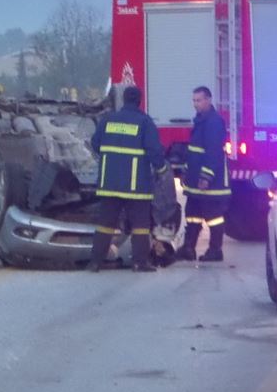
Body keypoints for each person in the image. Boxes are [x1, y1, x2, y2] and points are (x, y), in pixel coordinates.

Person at [87, 85, 168, 273]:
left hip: (109, 182)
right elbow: (154, 150)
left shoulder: (108, 119)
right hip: (136, 185)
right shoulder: (144, 122)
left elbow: (95, 143)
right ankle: (140, 263)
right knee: (140, 225)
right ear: (139, 101)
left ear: (124, 100)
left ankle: (95, 262)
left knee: (105, 224)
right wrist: (162, 169)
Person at [178, 86, 231, 262]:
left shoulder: (214, 122)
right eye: (194, 100)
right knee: (192, 214)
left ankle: (215, 251)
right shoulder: (200, 121)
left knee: (213, 216)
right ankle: (188, 248)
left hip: (211, 183)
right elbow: (194, 151)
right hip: (195, 181)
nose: (195, 104)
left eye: (199, 100)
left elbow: (213, 152)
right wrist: (186, 171)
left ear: (208, 100)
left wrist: (206, 177)